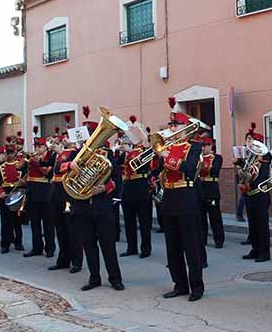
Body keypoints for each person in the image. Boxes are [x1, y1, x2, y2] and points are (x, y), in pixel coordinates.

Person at [63, 115, 124, 292]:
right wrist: (69, 166)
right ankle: (94, 277)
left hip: (102, 206)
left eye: (94, 135)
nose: (91, 139)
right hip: (81, 207)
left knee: (108, 244)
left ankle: (115, 278)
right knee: (89, 245)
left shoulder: (108, 155)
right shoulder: (76, 154)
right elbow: (58, 169)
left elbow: (118, 179)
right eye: (90, 135)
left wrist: (105, 187)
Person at [152, 104, 205, 301]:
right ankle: (179, 284)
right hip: (169, 198)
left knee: (191, 246)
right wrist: (159, 155)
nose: (171, 128)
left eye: (175, 125)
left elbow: (190, 168)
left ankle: (197, 287)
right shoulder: (167, 146)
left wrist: (166, 155)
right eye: (171, 124)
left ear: (184, 127)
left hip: (186, 196)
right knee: (172, 247)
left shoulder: (194, 146)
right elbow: (158, 170)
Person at [49, 126, 83, 273]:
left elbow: (58, 169)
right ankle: (63, 259)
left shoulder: (74, 153)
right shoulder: (60, 154)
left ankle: (76, 261)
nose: (64, 139)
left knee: (72, 230)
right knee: (60, 229)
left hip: (68, 194)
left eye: (67, 137)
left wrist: (61, 152)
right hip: (56, 193)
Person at [119, 117, 153, 259]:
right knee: (129, 219)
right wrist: (122, 151)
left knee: (144, 220)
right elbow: (116, 164)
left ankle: (146, 248)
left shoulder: (146, 150)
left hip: (141, 186)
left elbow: (141, 166)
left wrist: (129, 152)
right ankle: (131, 247)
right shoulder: (128, 150)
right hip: (128, 186)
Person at [238, 126, 271, 262]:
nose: (251, 145)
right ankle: (255, 249)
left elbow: (262, 176)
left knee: (262, 225)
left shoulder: (265, 156)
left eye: (253, 143)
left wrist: (249, 181)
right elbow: (243, 176)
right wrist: (240, 174)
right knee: (252, 224)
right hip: (250, 194)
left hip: (260, 194)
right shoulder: (248, 158)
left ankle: (264, 252)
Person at [24, 129, 55, 258]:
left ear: (45, 147)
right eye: (35, 146)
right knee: (34, 222)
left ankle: (50, 248)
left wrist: (38, 161)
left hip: (45, 192)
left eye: (39, 146)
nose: (37, 148)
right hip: (32, 192)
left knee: (47, 223)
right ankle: (37, 247)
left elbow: (47, 173)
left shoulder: (50, 157)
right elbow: (19, 167)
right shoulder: (31, 157)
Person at [0, 138, 26, 254]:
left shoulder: (21, 165)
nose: (10, 155)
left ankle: (18, 242)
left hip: (17, 193)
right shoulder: (0, 166)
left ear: (15, 153)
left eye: (12, 153)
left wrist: (24, 182)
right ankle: (5, 244)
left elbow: (26, 178)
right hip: (5, 195)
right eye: (8, 153)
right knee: (5, 221)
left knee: (17, 220)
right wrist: (0, 192)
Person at [195, 135, 225, 250]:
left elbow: (215, 169)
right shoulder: (198, 158)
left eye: (204, 146)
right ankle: (203, 240)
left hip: (212, 189)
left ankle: (219, 240)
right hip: (200, 189)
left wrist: (203, 165)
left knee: (215, 217)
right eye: (201, 146)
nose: (202, 148)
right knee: (201, 217)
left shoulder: (217, 157)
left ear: (210, 145)